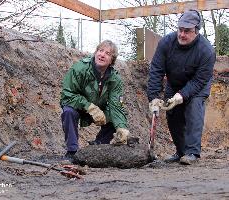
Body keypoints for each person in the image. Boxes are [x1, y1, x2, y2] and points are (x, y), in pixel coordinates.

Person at [147, 10, 216, 165]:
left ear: (197, 32)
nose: (182, 34)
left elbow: (199, 80)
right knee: (172, 114)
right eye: (180, 30)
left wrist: (182, 95)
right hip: (175, 82)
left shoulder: (206, 51)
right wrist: (154, 97)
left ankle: (192, 152)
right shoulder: (166, 43)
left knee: (193, 108)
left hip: (198, 85)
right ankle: (181, 151)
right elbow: (156, 70)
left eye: (187, 31)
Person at [60, 40, 130, 160]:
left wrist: (121, 127)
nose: (102, 55)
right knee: (68, 111)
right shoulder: (79, 68)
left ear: (112, 60)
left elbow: (116, 105)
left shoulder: (115, 78)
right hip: (79, 108)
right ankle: (72, 151)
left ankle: (98, 146)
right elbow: (66, 95)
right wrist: (89, 107)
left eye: (107, 53)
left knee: (117, 116)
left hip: (100, 111)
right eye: (100, 50)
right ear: (96, 52)